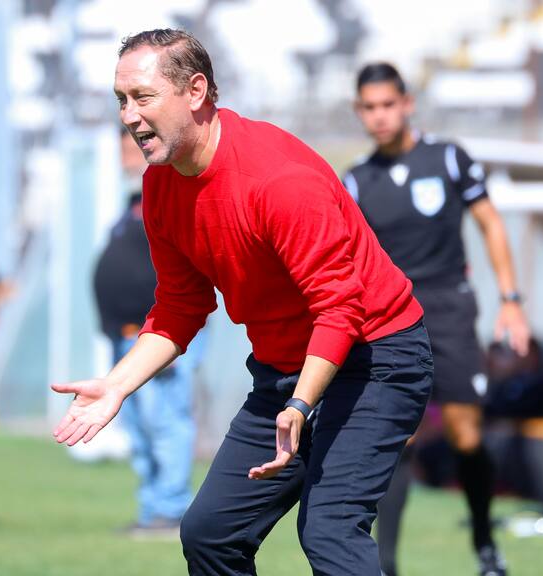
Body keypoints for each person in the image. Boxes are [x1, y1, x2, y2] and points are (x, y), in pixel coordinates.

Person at [53, 29, 433, 575]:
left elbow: (338, 309)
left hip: (375, 359)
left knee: (329, 529)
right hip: (285, 372)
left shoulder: (278, 180)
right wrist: (116, 385)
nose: (129, 116)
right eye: (121, 100)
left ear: (195, 91)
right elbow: (180, 307)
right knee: (210, 535)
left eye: (143, 97)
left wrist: (300, 407)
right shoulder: (161, 185)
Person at [344, 63, 531, 576]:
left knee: (464, 433)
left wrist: (511, 300)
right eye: (369, 107)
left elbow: (491, 223)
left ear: (407, 104)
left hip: (450, 307)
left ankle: (485, 545)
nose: (380, 116)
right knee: (397, 437)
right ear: (359, 112)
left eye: (388, 104)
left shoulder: (448, 158)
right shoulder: (356, 180)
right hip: (390, 315)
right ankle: (386, 564)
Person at [93, 189, 203, 537]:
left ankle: (171, 510)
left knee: (166, 423)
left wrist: (169, 342)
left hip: (159, 338)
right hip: (126, 336)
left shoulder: (176, 203)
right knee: (140, 430)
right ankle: (152, 509)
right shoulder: (131, 210)